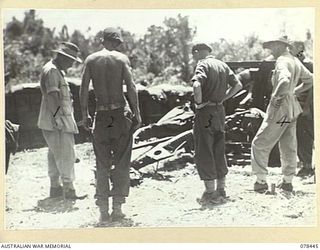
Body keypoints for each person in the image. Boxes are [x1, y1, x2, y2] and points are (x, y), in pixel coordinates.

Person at [80, 27, 141, 223]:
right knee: (122, 161)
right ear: (116, 43)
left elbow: (82, 90)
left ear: (101, 40)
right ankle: (117, 208)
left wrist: (85, 115)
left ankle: (103, 212)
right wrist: (137, 113)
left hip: (102, 115)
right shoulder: (121, 59)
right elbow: (131, 87)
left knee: (102, 163)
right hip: (119, 115)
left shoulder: (91, 60)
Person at [251, 37, 313, 193]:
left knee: (259, 143)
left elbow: (284, 81)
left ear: (279, 45)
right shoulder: (294, 60)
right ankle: (287, 181)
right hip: (291, 108)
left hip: (281, 108)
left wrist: (276, 101)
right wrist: (293, 92)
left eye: (271, 46)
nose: (270, 50)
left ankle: (261, 181)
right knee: (288, 144)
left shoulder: (281, 61)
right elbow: (310, 80)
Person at [191, 43, 242, 204]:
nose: (194, 57)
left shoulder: (202, 64)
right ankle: (221, 189)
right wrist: (223, 99)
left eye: (194, 54)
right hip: (219, 112)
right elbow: (238, 85)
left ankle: (210, 192)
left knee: (205, 149)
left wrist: (198, 103)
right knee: (219, 149)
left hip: (205, 113)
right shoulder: (222, 65)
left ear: (198, 52)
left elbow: (196, 84)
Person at [37, 42, 85, 199]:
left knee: (55, 153)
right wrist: (58, 118)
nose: (72, 63)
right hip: (56, 119)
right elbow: (53, 97)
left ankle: (55, 188)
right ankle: (69, 189)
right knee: (66, 153)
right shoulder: (52, 71)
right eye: (71, 60)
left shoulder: (57, 70)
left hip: (55, 118)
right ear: (63, 57)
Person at [290, 41, 314, 177]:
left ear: (300, 48)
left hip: (308, 106)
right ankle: (306, 165)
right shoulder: (295, 63)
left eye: (292, 47)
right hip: (298, 105)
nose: (289, 49)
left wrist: (307, 107)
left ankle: (308, 166)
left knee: (308, 135)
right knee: (300, 135)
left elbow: (313, 87)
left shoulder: (309, 64)